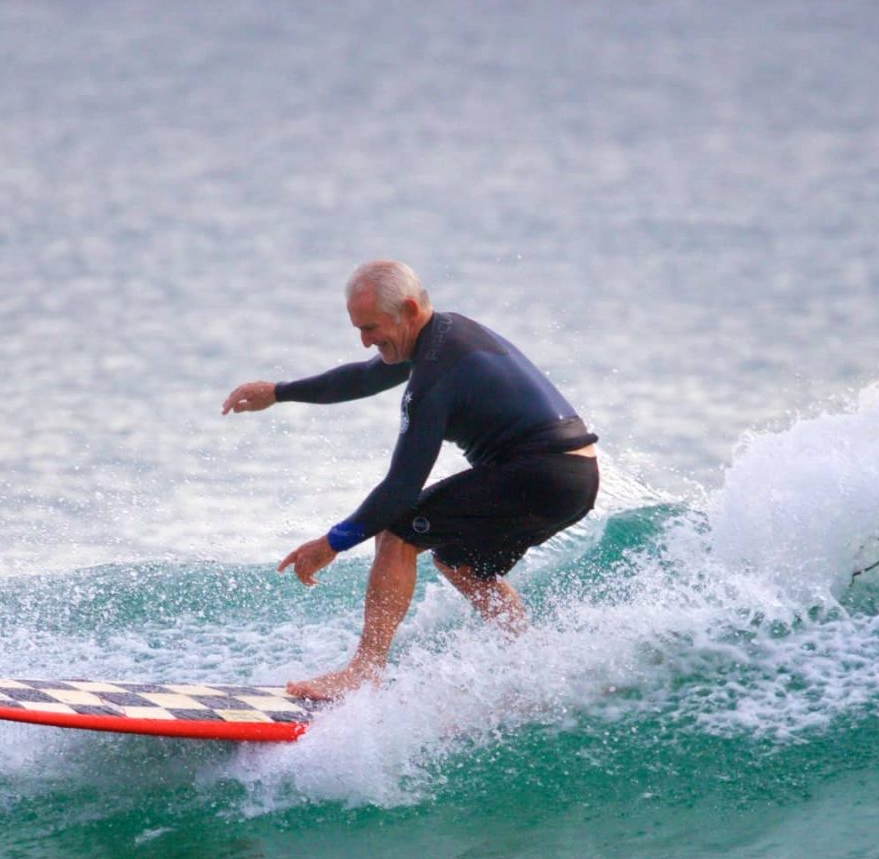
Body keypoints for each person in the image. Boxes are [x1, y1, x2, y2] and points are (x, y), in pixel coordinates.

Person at [222, 260, 599, 700]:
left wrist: (332, 543)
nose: (365, 340)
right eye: (359, 329)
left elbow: (400, 490)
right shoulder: (446, 335)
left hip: (538, 470)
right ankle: (527, 662)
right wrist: (279, 392)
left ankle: (364, 671)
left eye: (371, 327)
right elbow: (363, 377)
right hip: (575, 477)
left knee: (397, 531)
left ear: (407, 309)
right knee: (461, 563)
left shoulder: (434, 377)